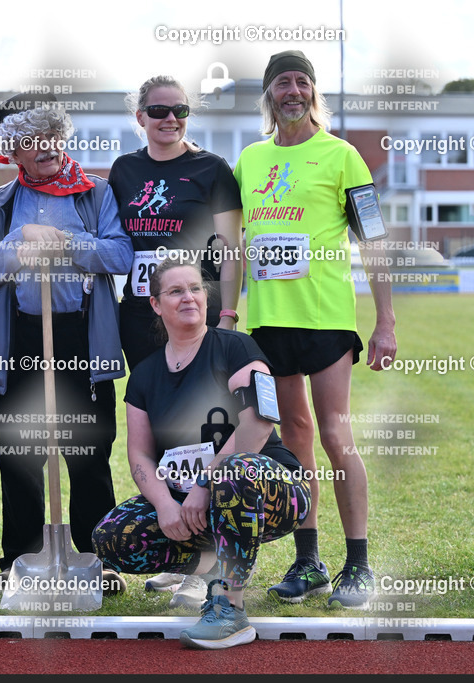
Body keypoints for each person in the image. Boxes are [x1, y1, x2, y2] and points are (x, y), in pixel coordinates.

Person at [234, 50, 397, 609]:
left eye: (303, 81)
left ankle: (359, 563)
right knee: (294, 439)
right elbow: (233, 244)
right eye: (283, 82)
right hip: (268, 322)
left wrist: (386, 322)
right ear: (270, 95)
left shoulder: (343, 155)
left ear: (313, 93)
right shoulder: (250, 160)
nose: (293, 91)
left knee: (334, 435)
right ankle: (309, 560)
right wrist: (228, 313)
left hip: (326, 318)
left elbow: (373, 238)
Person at [92, 258, 310, 649]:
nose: (189, 297)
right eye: (176, 291)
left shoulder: (238, 346)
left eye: (195, 288)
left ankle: (230, 609)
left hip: (270, 489)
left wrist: (204, 484)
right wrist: (163, 505)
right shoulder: (143, 374)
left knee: (233, 473)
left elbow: (260, 424)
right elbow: (140, 455)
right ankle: (210, 561)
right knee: (112, 537)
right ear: (156, 304)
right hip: (191, 501)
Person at [0, 93, 132, 593]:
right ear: (13, 152)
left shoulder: (95, 194)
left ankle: (97, 557)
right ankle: (18, 559)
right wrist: (18, 245)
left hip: (81, 339)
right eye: (31, 142)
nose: (45, 149)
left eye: (52, 138)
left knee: (88, 451)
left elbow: (121, 254)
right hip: (20, 336)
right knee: (19, 455)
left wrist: (67, 243)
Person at [108, 75, 244, 606]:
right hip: (141, 320)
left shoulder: (212, 170)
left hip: (197, 317)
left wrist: (228, 315)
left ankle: (210, 557)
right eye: (159, 110)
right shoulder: (124, 170)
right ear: (139, 115)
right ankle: (182, 550)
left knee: (203, 428)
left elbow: (232, 248)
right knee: (162, 430)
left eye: (179, 110)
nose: (170, 119)